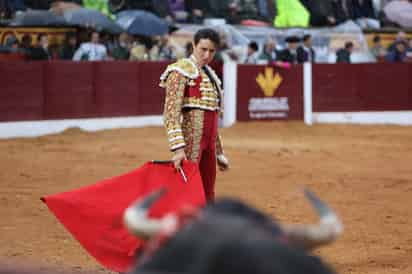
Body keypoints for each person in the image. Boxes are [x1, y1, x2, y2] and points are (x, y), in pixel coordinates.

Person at [159, 28, 230, 202]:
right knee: (186, 189)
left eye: (211, 51)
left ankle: (207, 227)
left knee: (208, 191)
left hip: (209, 146)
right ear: (193, 45)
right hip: (191, 141)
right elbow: (171, 114)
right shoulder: (179, 71)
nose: (207, 55)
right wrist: (178, 149)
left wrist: (219, 151)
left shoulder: (210, 75)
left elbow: (212, 117)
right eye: (203, 49)